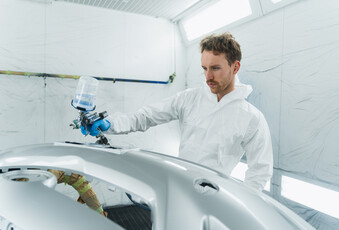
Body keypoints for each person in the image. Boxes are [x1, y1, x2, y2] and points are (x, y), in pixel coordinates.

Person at [81, 32, 273, 191]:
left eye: (215, 68)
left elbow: (259, 172)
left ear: (235, 66)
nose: (208, 76)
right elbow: (146, 116)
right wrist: (111, 124)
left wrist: (239, 207)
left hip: (215, 197)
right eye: (204, 68)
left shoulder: (251, 118)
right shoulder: (190, 99)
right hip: (180, 187)